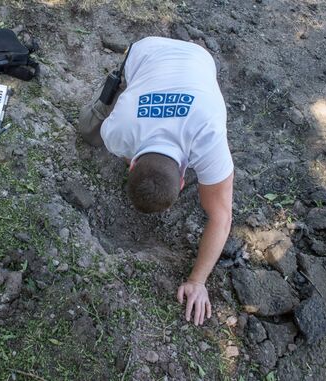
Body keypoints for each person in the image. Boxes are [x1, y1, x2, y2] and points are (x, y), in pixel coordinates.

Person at [78, 36, 234, 326]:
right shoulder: (116, 129)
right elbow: (220, 215)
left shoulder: (209, 136)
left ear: (131, 164)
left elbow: (223, 217)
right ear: (184, 180)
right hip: (144, 51)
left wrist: (199, 280)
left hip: (197, 58)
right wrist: (195, 281)